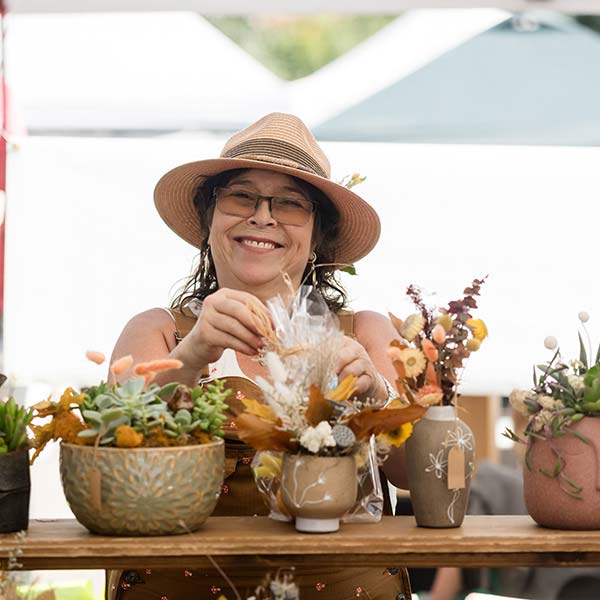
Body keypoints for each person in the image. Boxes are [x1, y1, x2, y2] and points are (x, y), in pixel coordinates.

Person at [107, 113, 411, 600]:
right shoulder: (159, 332)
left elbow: (419, 476)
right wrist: (191, 356)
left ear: (318, 237)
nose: (262, 216)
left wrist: (375, 394)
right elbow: (112, 472)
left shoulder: (367, 332)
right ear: (209, 221)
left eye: (290, 203)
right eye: (241, 196)